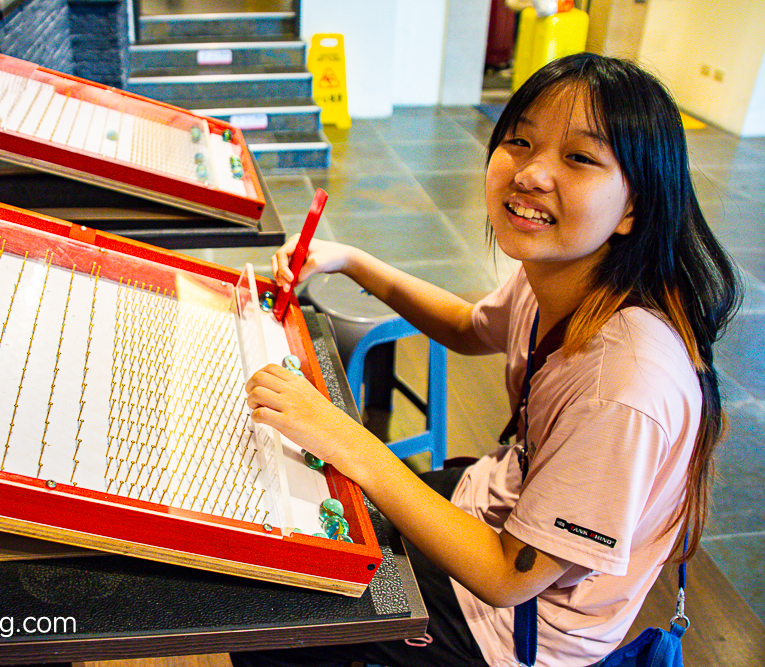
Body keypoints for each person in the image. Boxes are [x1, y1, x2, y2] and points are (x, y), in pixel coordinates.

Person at [233, 53, 741, 667]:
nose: (531, 173)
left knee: (271, 619)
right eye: (520, 141)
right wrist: (351, 261)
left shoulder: (626, 384)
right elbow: (471, 327)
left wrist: (348, 439)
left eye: (579, 158)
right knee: (301, 526)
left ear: (635, 205)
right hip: (493, 502)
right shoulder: (559, 273)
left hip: (518, 629)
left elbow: (509, 578)